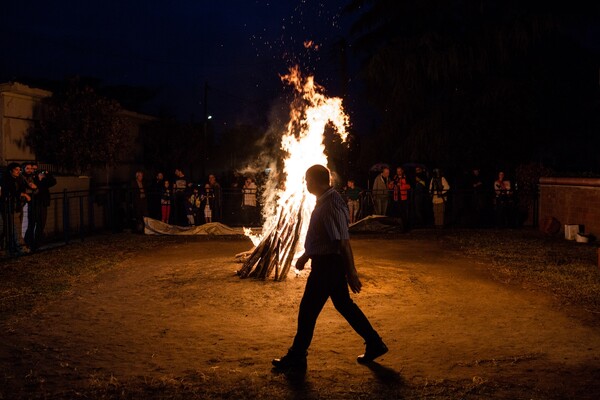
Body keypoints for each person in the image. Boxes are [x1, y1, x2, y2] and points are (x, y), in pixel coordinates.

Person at [272, 164, 388, 371]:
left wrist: (351, 272)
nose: (306, 185)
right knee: (344, 306)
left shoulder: (331, 204)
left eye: (308, 181)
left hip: (328, 266)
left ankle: (297, 356)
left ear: (315, 181)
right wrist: (306, 255)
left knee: (308, 310)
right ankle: (374, 343)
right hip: (326, 262)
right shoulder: (325, 200)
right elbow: (324, 237)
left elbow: (342, 241)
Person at [1, 163, 30, 256]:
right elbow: (10, 191)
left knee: (14, 227)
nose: (19, 171)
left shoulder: (18, 179)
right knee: (13, 228)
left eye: (19, 169)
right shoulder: (6, 179)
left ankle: (13, 248)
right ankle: (18, 247)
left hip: (16, 206)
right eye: (16, 169)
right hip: (9, 207)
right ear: (11, 170)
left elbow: (23, 188)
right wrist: (22, 194)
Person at [33, 168, 57, 248]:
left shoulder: (44, 179)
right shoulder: (33, 179)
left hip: (43, 203)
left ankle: (38, 241)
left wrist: (47, 174)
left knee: (42, 222)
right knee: (35, 222)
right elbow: (37, 189)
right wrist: (39, 179)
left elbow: (53, 182)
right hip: (36, 203)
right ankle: (35, 242)